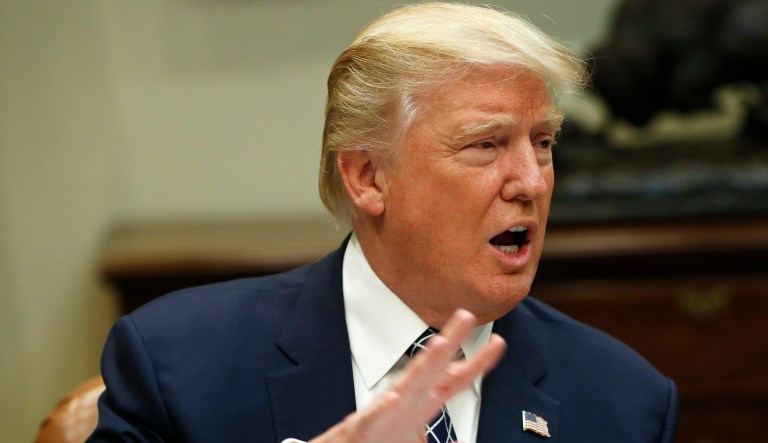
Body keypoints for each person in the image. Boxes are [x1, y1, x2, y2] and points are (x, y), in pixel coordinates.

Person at [87, 3, 679, 442]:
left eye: (543, 142)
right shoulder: (178, 365)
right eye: (485, 144)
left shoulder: (625, 403)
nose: (532, 181)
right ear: (368, 177)